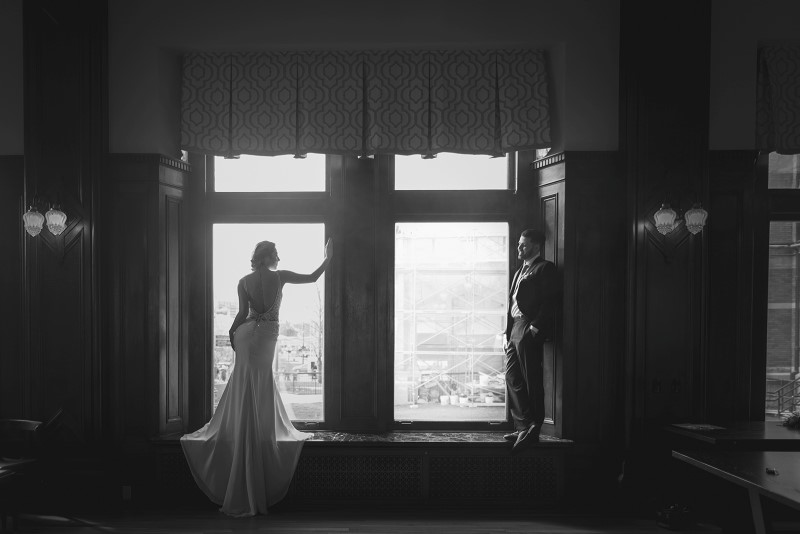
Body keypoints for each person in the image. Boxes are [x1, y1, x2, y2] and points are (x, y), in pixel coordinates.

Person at [181, 237, 333, 517]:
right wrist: (328, 258)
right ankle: (259, 431)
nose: (278, 258)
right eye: (275, 254)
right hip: (267, 335)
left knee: (244, 380)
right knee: (260, 380)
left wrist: (232, 333)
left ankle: (243, 430)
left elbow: (242, 314)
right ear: (266, 256)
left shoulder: (243, 281)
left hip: (246, 333)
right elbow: (313, 277)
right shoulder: (281, 277)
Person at [503, 229, 557, 455]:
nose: (519, 248)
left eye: (523, 245)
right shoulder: (519, 271)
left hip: (528, 327)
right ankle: (523, 426)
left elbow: (550, 301)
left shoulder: (545, 268)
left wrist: (534, 328)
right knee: (512, 377)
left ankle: (533, 429)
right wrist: (507, 334)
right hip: (515, 328)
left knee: (531, 379)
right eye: (519, 244)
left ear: (536, 246)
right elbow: (512, 303)